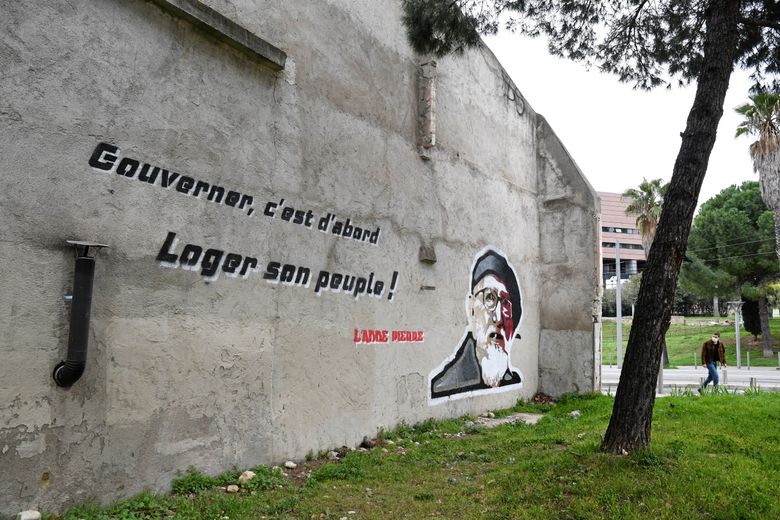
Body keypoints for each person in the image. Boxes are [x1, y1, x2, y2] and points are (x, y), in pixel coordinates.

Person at [430, 248, 523, 399]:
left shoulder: (513, 379)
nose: (498, 317)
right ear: (471, 309)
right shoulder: (445, 385)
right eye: (489, 298)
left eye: (506, 302)